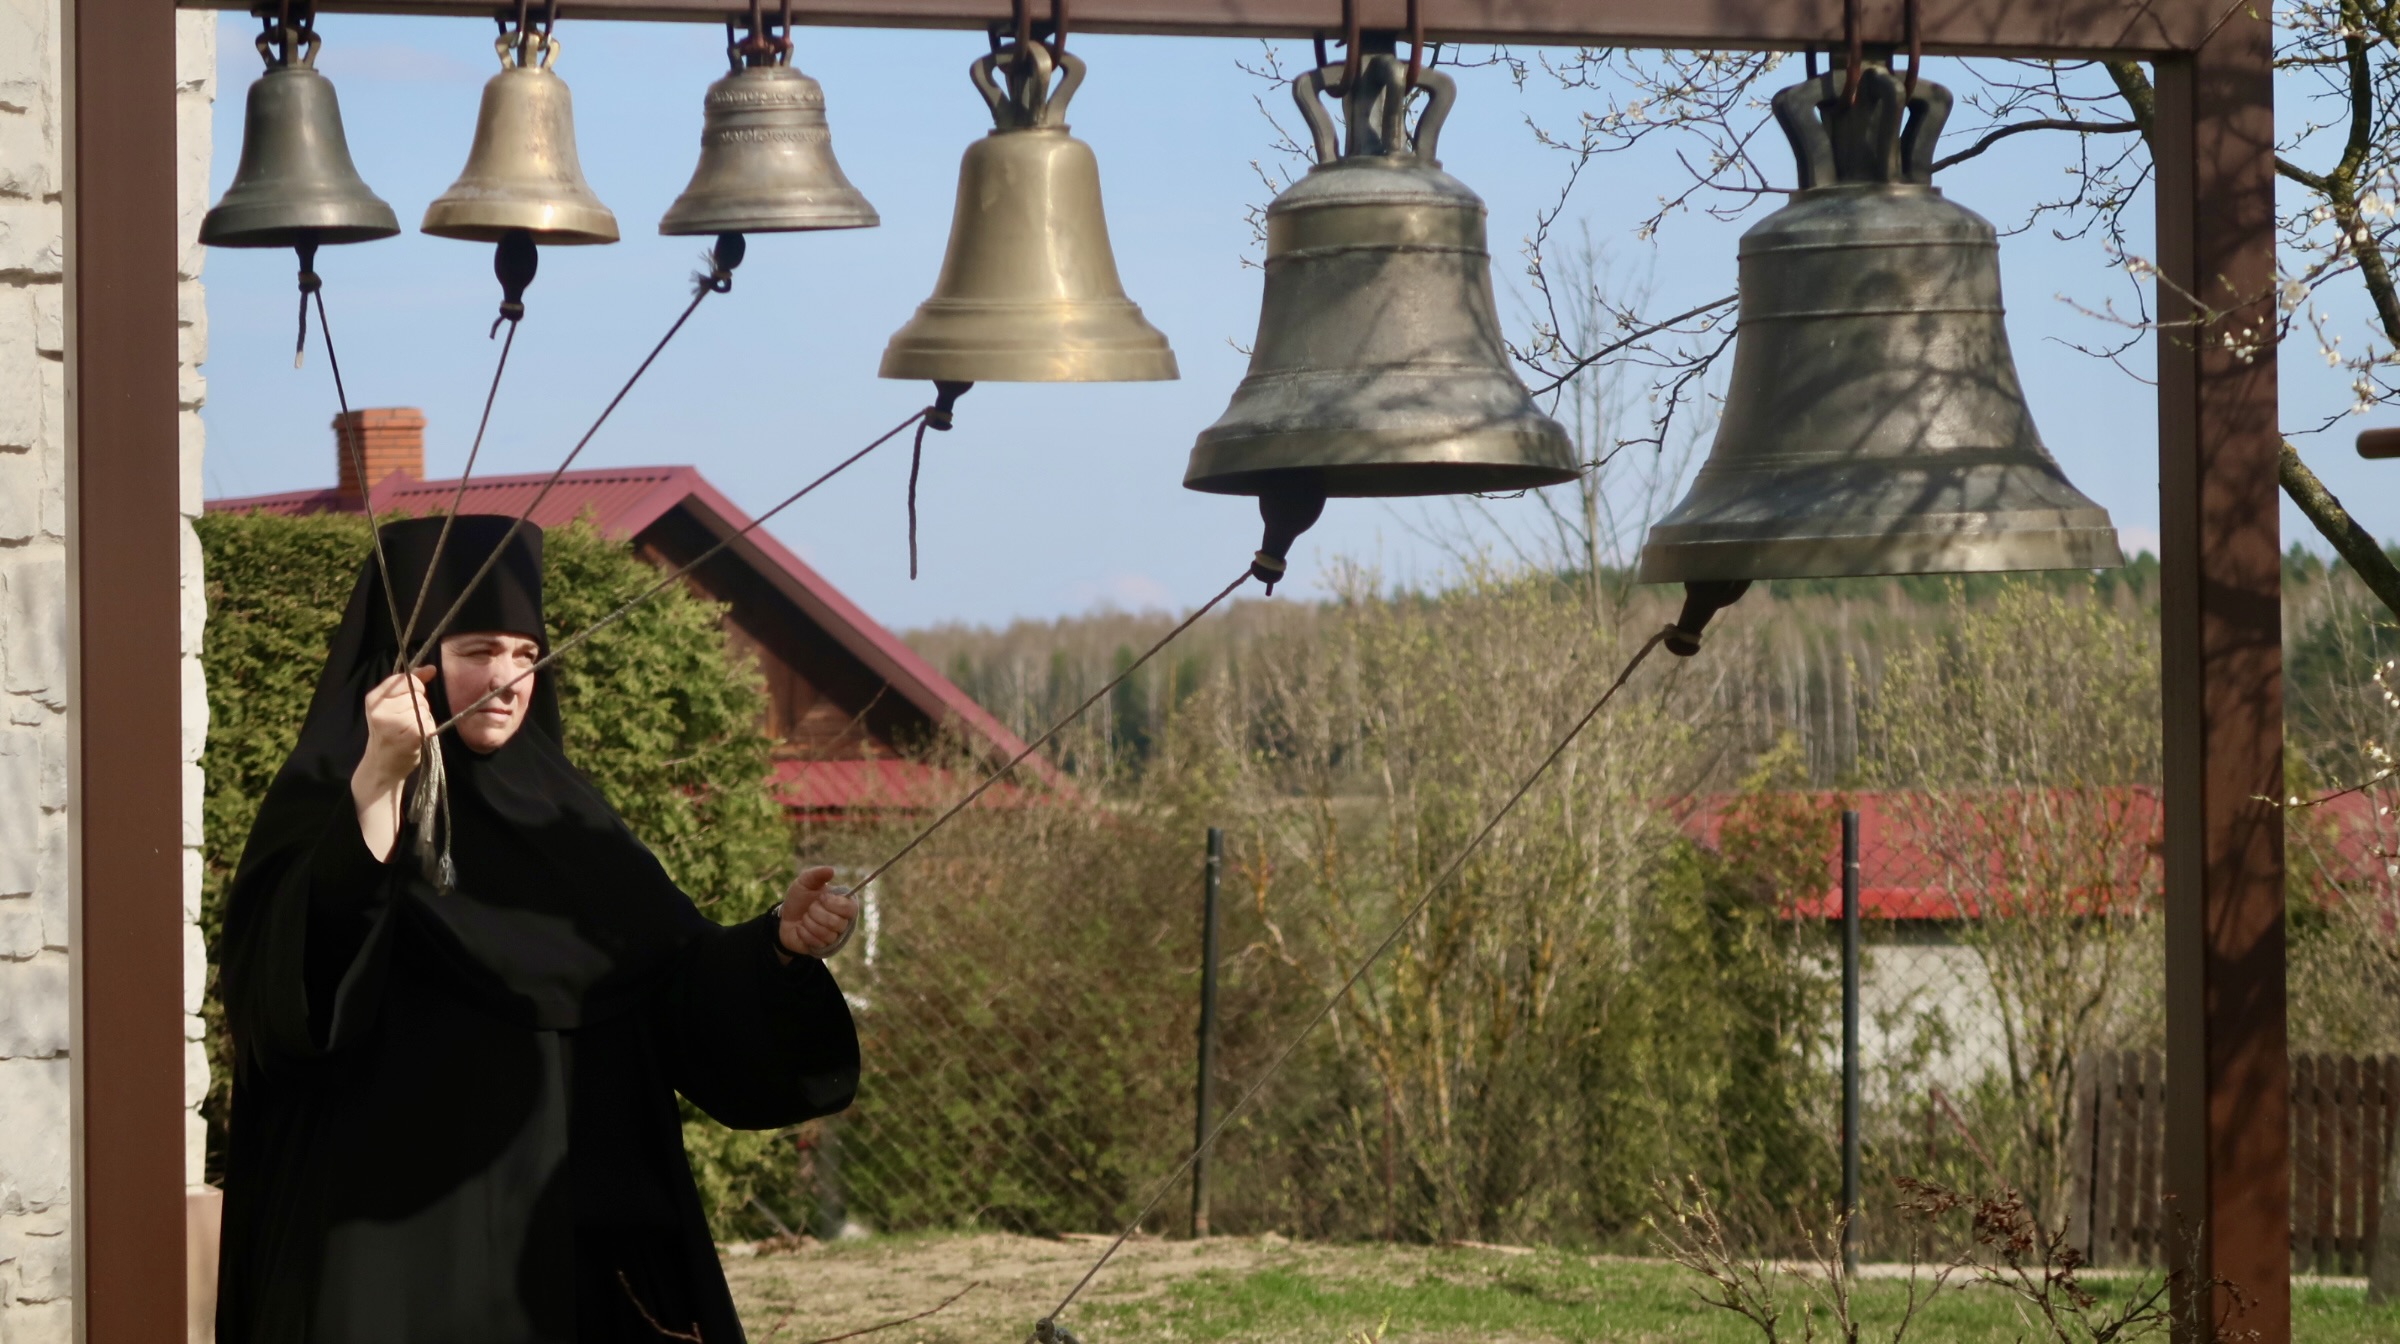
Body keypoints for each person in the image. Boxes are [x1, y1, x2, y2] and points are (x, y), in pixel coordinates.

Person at [215, 515, 859, 1343]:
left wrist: (776, 947)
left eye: (526, 653)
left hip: (573, 1250)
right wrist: (380, 780)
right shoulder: (321, 800)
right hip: (396, 1254)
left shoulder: (568, 816)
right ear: (409, 662)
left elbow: (669, 979)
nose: (510, 678)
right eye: (480, 648)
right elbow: (294, 998)